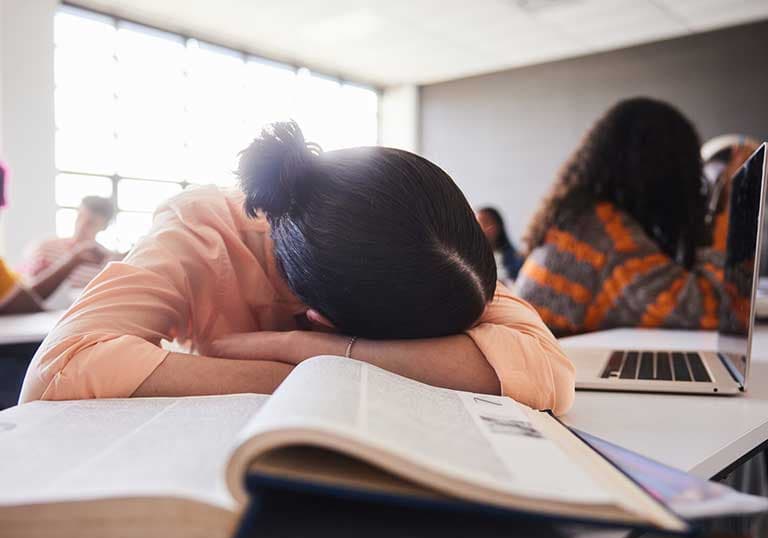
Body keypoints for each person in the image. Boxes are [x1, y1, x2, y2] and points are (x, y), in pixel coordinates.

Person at [20, 121, 575, 415]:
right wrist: (328, 372)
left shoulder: (421, 241)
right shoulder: (200, 228)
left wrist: (303, 350)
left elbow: (548, 371)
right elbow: (59, 370)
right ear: (322, 315)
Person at [516, 97, 721, 337]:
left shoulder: (582, 219)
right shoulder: (606, 236)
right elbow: (712, 310)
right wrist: (723, 205)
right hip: (547, 359)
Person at [22, 195, 117, 304]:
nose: (81, 226)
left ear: (104, 226)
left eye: (90, 223)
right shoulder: (45, 247)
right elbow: (27, 290)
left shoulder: (107, 263)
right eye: (80, 216)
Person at [476, 207, 524, 282]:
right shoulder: (468, 260)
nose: (482, 228)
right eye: (478, 224)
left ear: (498, 225)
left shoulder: (516, 258)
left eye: (486, 223)